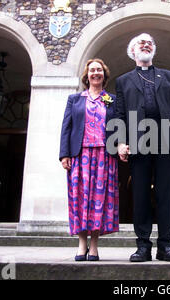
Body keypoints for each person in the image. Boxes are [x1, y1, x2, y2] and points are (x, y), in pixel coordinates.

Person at [115, 33, 170, 262]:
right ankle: (143, 246)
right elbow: (119, 115)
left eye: (150, 43)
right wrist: (120, 142)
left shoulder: (169, 76)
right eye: (141, 43)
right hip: (138, 142)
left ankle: (166, 247)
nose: (146, 45)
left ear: (153, 50)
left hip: (165, 140)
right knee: (141, 195)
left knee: (166, 195)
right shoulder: (123, 81)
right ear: (132, 51)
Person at [59, 58, 119, 261]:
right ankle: (81, 244)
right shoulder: (74, 100)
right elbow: (66, 127)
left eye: (99, 70)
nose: (95, 73)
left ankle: (94, 246)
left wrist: (121, 145)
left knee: (99, 201)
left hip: (104, 154)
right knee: (80, 199)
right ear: (87, 75)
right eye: (92, 70)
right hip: (79, 155)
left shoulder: (112, 100)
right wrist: (64, 154)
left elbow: (119, 126)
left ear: (104, 75)